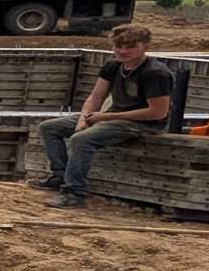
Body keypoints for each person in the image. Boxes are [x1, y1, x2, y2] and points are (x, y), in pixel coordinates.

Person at [34, 23, 174, 208]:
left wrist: (103, 118)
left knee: (81, 140)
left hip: (142, 124)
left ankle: (74, 193)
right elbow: (96, 96)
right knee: (49, 127)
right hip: (112, 116)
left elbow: (157, 112)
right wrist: (85, 117)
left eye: (131, 47)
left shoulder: (155, 73)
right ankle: (59, 174)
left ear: (145, 46)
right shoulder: (113, 66)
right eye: (118, 46)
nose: (123, 51)